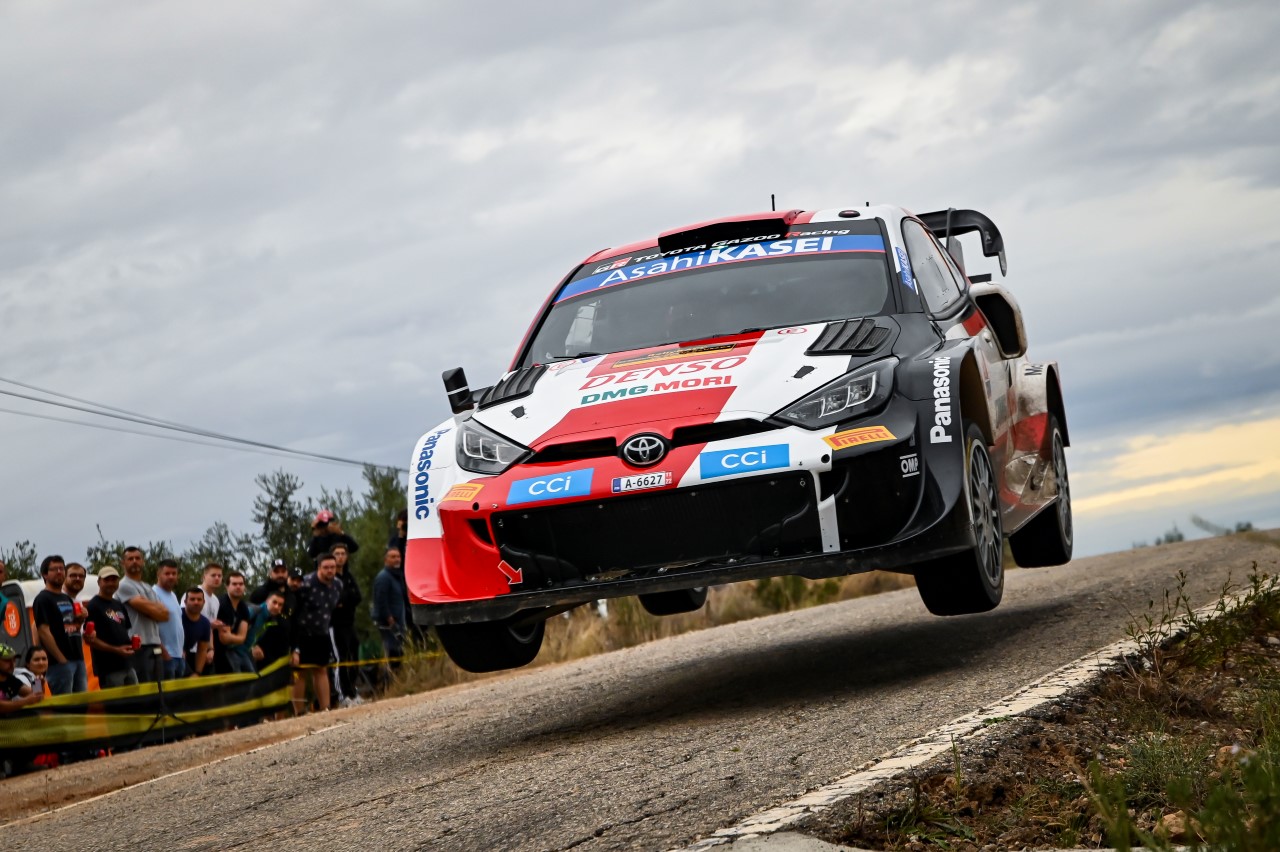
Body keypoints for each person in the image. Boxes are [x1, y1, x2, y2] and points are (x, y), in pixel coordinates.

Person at [291, 553, 343, 713]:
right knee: (299, 672)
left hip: (322, 633)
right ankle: (299, 712)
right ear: (319, 568)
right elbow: (293, 609)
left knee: (321, 669)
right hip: (302, 633)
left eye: (332, 567)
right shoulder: (305, 584)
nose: (330, 570)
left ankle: (325, 708)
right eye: (326, 567)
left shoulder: (338, 584)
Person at [32, 555, 87, 694]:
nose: (59, 572)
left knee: (82, 702)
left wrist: (81, 619)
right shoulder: (42, 598)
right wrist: (61, 659)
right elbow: (42, 630)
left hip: (78, 659)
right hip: (58, 664)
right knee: (65, 704)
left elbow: (74, 627)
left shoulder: (67, 598)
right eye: (54, 569)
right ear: (45, 574)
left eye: (62, 569)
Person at [116, 546, 168, 683]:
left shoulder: (147, 587)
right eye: (130, 559)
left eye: (138, 558)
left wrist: (152, 610)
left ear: (143, 561)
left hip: (154, 644)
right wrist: (154, 610)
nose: (135, 561)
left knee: (158, 688)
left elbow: (165, 615)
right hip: (137, 645)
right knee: (143, 687)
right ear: (123, 563)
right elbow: (149, 609)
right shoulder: (123, 585)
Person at [85, 566, 139, 689]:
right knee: (116, 701)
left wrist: (132, 645)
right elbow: (90, 640)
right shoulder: (93, 606)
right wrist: (116, 650)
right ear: (99, 582)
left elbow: (124, 631)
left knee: (135, 699)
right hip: (108, 668)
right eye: (107, 580)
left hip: (127, 665)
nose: (111, 583)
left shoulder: (118, 604)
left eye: (114, 580)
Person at [329, 543, 363, 706]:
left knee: (354, 655)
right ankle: (342, 694)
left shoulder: (348, 576)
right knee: (340, 658)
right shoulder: (330, 578)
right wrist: (344, 600)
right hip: (335, 624)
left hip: (350, 622)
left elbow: (357, 597)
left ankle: (352, 691)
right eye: (337, 554)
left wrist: (345, 600)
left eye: (343, 553)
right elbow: (335, 601)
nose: (340, 557)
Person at [371, 547, 407, 672]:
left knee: (399, 652)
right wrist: (389, 619)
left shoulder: (397, 576)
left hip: (399, 621)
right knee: (392, 652)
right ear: (386, 559)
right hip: (389, 624)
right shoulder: (383, 577)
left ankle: (397, 676)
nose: (397, 559)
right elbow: (380, 600)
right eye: (393, 557)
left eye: (398, 556)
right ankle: (389, 678)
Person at [214, 571, 254, 674]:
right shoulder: (222, 604)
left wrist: (236, 638)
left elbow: (242, 638)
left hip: (231, 651)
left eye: (241, 584)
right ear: (227, 586)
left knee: (251, 673)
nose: (238, 587)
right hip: (215, 652)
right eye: (234, 584)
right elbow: (224, 639)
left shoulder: (243, 606)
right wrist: (238, 638)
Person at [153, 559, 185, 680]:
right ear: (158, 574)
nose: (171, 577)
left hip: (178, 655)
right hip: (165, 656)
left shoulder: (173, 595)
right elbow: (151, 627)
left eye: (174, 573)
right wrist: (164, 652)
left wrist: (181, 651)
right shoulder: (153, 594)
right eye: (167, 573)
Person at [252, 590, 292, 671]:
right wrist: (253, 646)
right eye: (274, 602)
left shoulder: (283, 623)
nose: (276, 606)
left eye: (280, 605)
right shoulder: (254, 613)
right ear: (267, 601)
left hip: (272, 665)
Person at [0, 643, 43, 713]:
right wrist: (25, 701)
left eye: (14, 660)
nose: (12, 664)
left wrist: (37, 682)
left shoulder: (10, 679)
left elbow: (35, 695)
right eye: (7, 660)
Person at [180, 587, 212, 676]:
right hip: (169, 655)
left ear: (204, 602)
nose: (196, 602)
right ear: (185, 602)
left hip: (186, 657)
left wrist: (198, 672)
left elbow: (202, 649)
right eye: (192, 599)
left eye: (199, 599)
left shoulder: (205, 623)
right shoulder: (177, 616)